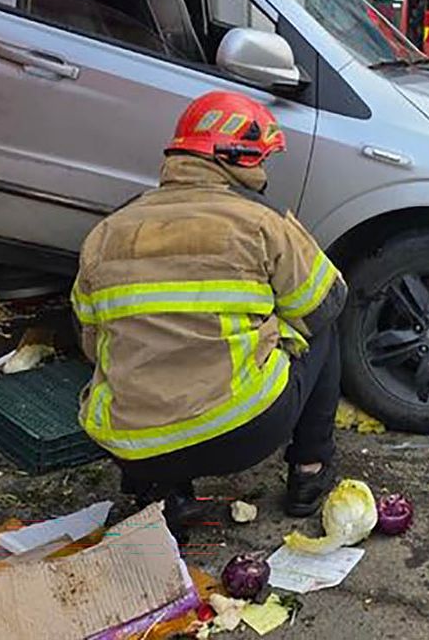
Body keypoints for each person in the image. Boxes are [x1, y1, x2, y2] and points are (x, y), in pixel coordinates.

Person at [73, 91, 348, 533]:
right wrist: (270, 325)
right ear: (239, 158)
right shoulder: (262, 220)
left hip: (134, 446)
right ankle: (309, 472)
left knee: (129, 362)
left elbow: (90, 342)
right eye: (262, 160)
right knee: (326, 330)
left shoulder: (108, 231)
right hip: (240, 431)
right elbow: (323, 306)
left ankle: (162, 495)